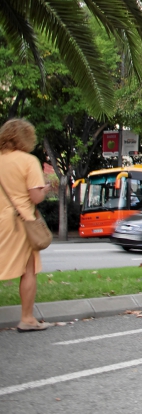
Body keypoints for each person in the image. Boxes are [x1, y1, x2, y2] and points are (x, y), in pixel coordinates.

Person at [0, 119, 52, 332]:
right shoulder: (28, 161)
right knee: (28, 269)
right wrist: (45, 189)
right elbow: (35, 197)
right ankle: (27, 318)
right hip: (20, 222)